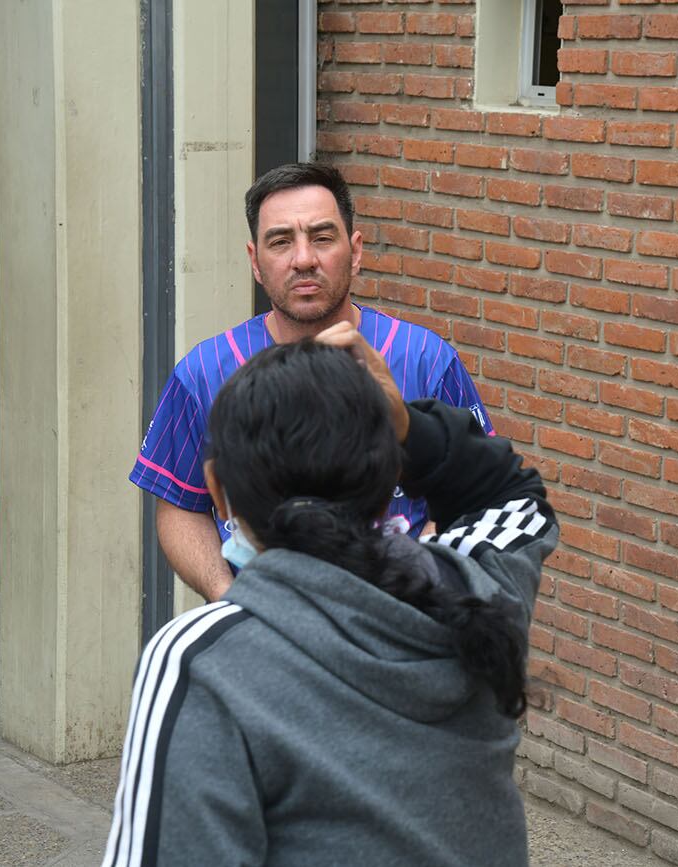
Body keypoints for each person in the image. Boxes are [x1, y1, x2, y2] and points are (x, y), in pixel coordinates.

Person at [103, 323, 556, 867]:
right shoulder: (473, 596)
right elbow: (514, 498)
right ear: (392, 472)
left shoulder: (200, 663)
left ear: (218, 492)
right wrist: (408, 425)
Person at [130, 162, 494, 601]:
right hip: (264, 631)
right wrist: (226, 596)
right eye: (281, 242)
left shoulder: (425, 360)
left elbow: (475, 488)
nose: (304, 259)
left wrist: (415, 592)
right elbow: (179, 504)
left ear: (355, 251)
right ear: (256, 262)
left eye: (322, 238)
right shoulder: (204, 372)